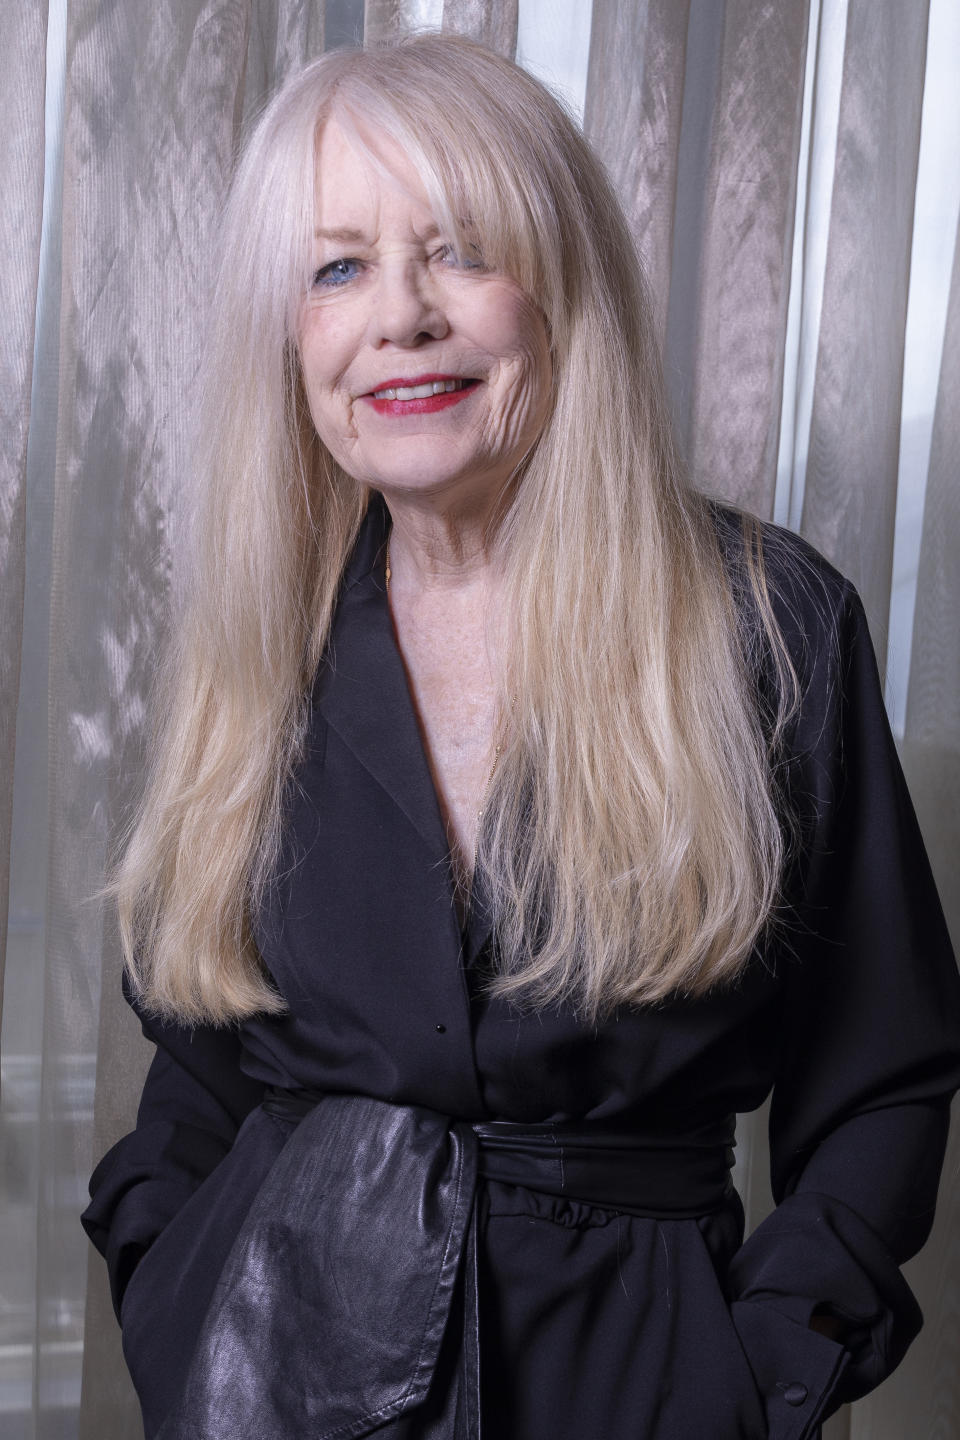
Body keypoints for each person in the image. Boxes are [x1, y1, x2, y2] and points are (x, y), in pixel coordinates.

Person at [82, 33, 960, 1440]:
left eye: (462, 251)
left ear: (566, 290)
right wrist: (170, 1291)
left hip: (641, 1382)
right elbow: (195, 1070)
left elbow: (885, 1079)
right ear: (289, 337)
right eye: (337, 267)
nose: (401, 318)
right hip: (275, 1380)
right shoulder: (258, 645)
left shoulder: (770, 628)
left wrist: (749, 1380)